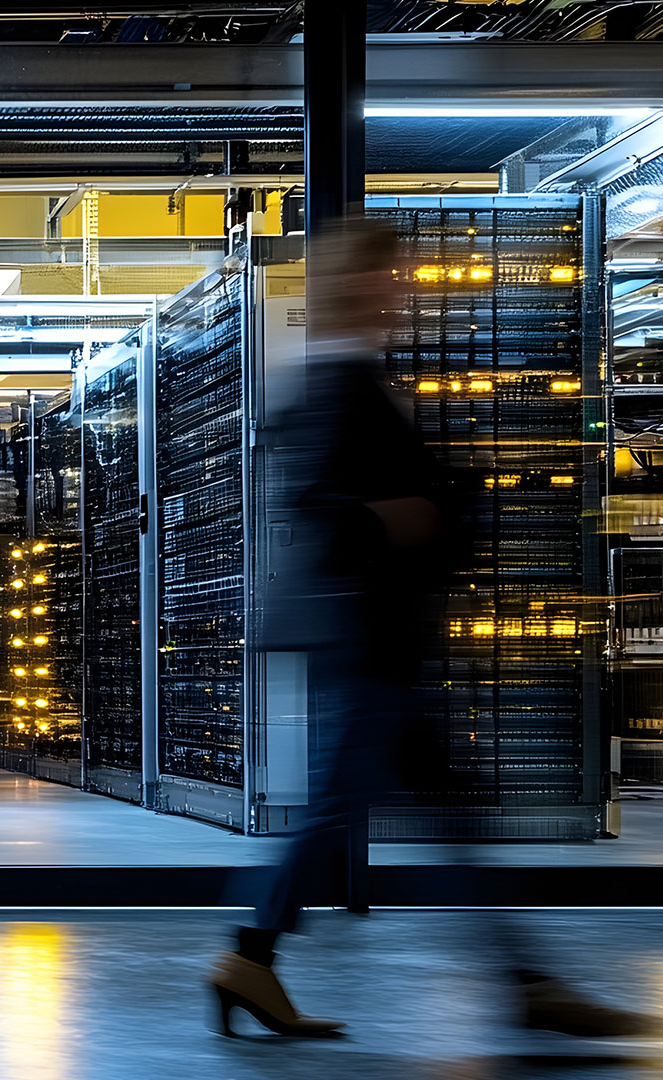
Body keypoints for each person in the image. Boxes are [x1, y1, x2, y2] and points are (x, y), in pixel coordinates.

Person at [209, 223, 652, 1041]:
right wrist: (401, 515)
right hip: (370, 641)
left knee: (418, 815)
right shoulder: (337, 383)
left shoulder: (360, 379)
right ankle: (522, 986)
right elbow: (313, 508)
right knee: (388, 815)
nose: (401, 289)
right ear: (354, 284)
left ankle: (256, 960)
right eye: (388, 274)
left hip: (380, 640)